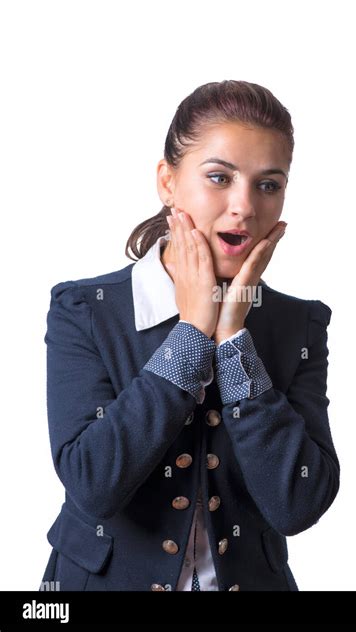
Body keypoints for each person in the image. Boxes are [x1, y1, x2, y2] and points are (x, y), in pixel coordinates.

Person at [39, 79, 340, 592]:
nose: (244, 205)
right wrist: (192, 334)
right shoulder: (83, 312)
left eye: (269, 184)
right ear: (168, 181)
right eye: (220, 177)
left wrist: (232, 342)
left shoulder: (300, 324)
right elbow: (92, 483)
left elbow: (299, 503)